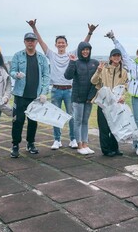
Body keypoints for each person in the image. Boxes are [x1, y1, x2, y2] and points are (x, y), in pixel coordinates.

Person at [27, 19, 97, 150]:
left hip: (69, 90)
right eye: (58, 43)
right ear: (56, 45)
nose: (61, 45)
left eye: (63, 43)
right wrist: (34, 28)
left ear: (66, 44)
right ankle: (57, 140)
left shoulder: (71, 55)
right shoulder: (51, 55)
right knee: (55, 116)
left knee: (72, 116)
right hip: (56, 90)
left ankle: (73, 139)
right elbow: (41, 42)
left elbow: (84, 44)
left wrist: (90, 32)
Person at [10, 32, 50, 158]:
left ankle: (30, 143)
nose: (30, 42)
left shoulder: (42, 58)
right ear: (24, 42)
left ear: (36, 42)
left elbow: (46, 76)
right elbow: (11, 71)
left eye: (32, 40)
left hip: (36, 96)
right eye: (28, 40)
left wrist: (44, 92)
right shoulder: (18, 55)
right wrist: (16, 75)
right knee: (18, 121)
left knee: (33, 121)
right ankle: (15, 145)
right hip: (20, 95)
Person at [91, 48, 129, 157]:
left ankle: (115, 148)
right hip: (103, 102)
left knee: (115, 126)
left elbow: (126, 86)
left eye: (118, 56)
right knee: (104, 127)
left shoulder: (124, 72)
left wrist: (123, 96)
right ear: (110, 57)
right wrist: (98, 71)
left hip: (116, 103)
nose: (116, 57)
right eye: (114, 55)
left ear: (120, 58)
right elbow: (93, 81)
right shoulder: (103, 69)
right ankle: (106, 150)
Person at [64, 41, 99, 155]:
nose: (85, 51)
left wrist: (91, 96)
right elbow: (67, 76)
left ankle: (85, 144)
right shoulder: (76, 62)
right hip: (78, 97)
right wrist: (72, 62)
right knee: (78, 121)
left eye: (87, 49)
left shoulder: (95, 63)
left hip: (89, 97)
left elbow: (97, 80)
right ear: (80, 51)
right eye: (83, 50)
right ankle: (79, 145)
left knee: (85, 121)